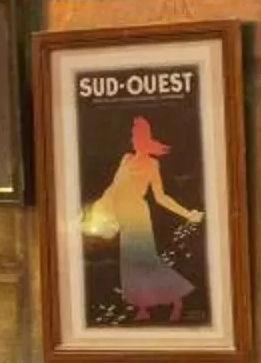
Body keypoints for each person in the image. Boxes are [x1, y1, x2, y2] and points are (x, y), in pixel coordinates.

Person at [78, 115, 202, 322]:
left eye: (136, 136)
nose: (132, 139)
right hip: (124, 217)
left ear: (145, 139)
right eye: (132, 135)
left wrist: (187, 214)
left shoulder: (152, 165)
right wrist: (95, 210)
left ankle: (176, 301)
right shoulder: (126, 159)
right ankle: (142, 307)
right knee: (130, 265)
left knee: (145, 262)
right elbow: (113, 189)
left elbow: (161, 197)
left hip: (138, 217)